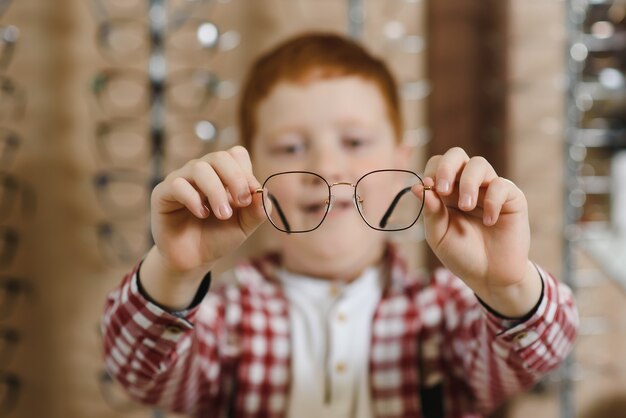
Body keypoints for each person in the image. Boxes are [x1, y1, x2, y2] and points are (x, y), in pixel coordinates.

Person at [101, 32, 578, 418]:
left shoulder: (445, 315)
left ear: (399, 163)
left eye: (353, 141)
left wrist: (508, 284)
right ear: (251, 173)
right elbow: (138, 372)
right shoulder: (223, 320)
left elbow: (536, 355)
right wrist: (173, 271)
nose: (328, 166)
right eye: (290, 148)